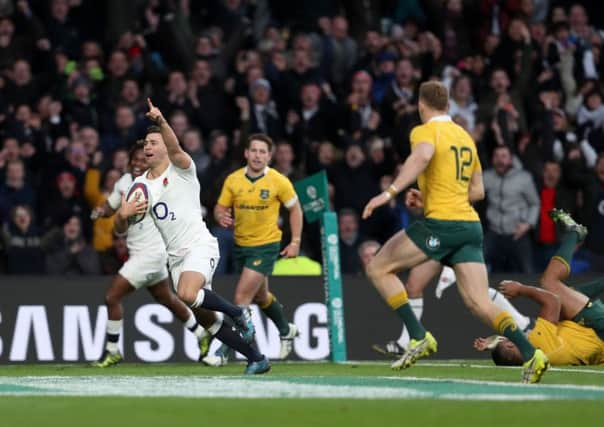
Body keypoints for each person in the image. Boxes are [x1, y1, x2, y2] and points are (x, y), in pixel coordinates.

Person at [361, 80, 548, 383]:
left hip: (442, 225)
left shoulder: (425, 131)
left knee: (379, 267)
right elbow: (478, 191)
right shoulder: (464, 136)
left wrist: (389, 193)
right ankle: (531, 353)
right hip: (469, 227)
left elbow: (420, 157)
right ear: (447, 104)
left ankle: (418, 336)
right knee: (479, 303)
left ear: (422, 105)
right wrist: (428, 198)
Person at [134, 99, 270, 374]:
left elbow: (176, 147)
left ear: (165, 146)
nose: (147, 147)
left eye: (153, 142)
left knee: (186, 292)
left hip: (199, 245)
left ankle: (237, 311)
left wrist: (161, 121)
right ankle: (257, 358)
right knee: (208, 320)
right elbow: (125, 224)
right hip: (175, 259)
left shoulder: (183, 169)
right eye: (145, 143)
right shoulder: (140, 184)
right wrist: (125, 214)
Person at [91, 142, 211, 367]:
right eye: (134, 159)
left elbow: (124, 222)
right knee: (166, 298)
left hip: (151, 254)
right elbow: (111, 205)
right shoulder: (125, 183)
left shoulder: (156, 184)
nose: (137, 163)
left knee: (112, 297)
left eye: (142, 159)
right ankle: (201, 334)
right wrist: (101, 211)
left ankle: (112, 350)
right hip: (143, 253)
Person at [206, 133, 303, 366]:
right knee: (260, 297)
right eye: (254, 151)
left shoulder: (278, 181)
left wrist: (296, 241)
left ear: (269, 156)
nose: (258, 155)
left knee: (241, 297)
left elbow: (296, 209)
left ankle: (223, 350)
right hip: (242, 246)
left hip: (266, 246)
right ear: (246, 153)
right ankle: (286, 329)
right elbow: (219, 208)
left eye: (263, 152)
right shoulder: (233, 180)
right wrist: (221, 216)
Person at [475, 210, 604, 366]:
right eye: (509, 339)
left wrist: (496, 341)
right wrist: (520, 289)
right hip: (596, 328)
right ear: (510, 345)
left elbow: (517, 336)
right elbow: (552, 301)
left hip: (593, 339)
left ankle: (574, 233)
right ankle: (574, 233)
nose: (512, 336)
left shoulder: (541, 357)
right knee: (549, 283)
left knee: (566, 294)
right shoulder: (538, 341)